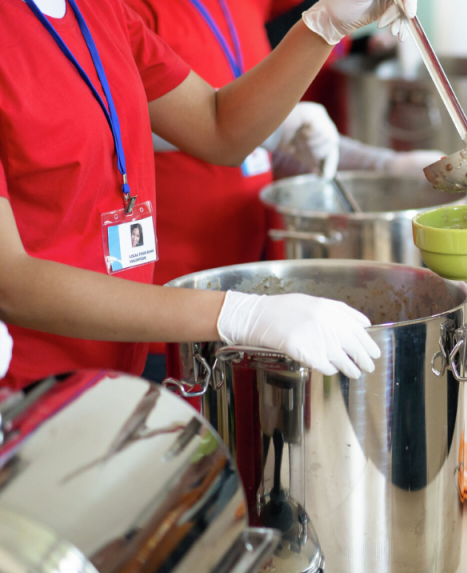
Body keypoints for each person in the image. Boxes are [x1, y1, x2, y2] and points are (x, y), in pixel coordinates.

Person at [0, 0, 417, 389]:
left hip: (111, 377)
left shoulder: (97, 10)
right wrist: (237, 314)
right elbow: (9, 281)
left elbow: (218, 126)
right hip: (25, 394)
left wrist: (324, 26)